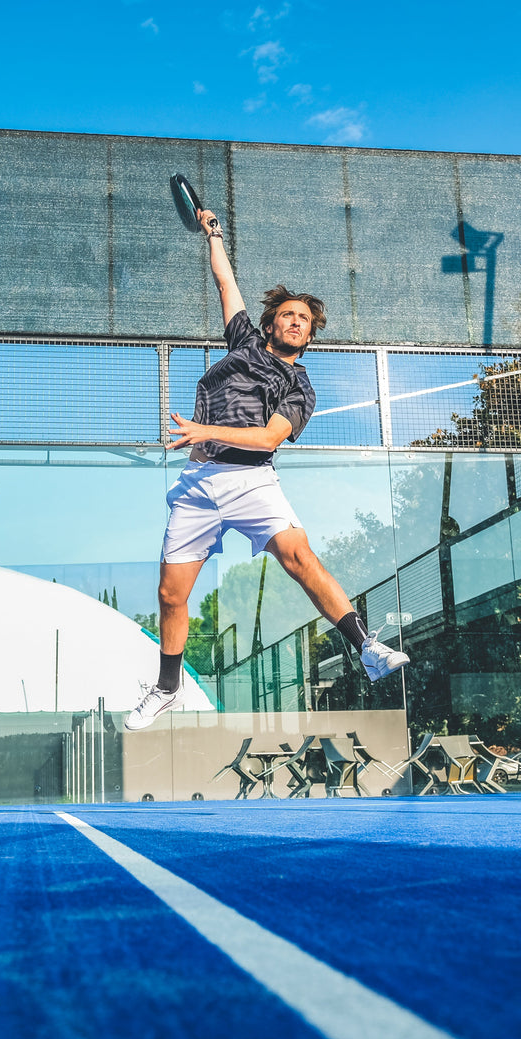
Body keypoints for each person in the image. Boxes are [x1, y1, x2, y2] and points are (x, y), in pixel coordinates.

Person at [126, 207, 409, 731]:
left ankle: (366, 647)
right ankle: (167, 687)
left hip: (252, 479)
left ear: (310, 335)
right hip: (198, 484)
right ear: (271, 323)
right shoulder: (244, 344)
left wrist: (204, 430)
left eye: (305, 319)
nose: (296, 321)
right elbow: (225, 279)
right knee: (170, 596)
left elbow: (265, 439)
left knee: (299, 556)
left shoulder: (301, 389)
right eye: (288, 314)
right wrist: (212, 233)